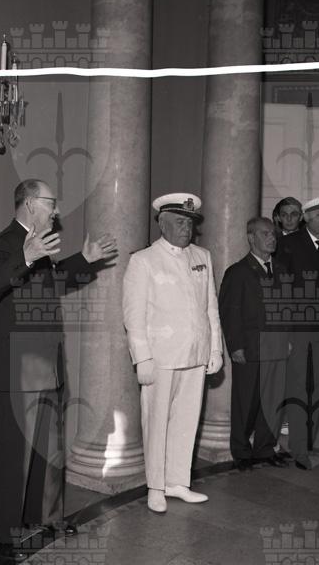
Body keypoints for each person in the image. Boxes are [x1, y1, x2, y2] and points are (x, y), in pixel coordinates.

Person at [0, 179, 117, 561]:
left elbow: (50, 283)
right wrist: (24, 257)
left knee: (48, 449)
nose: (56, 210)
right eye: (50, 203)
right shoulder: (8, 241)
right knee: (10, 456)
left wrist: (84, 259)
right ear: (29, 204)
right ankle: (2, 534)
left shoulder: (40, 243)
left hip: (45, 365)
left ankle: (47, 518)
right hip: (15, 368)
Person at [122, 193, 223, 513]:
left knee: (187, 420)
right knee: (156, 422)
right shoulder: (143, 260)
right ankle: (156, 486)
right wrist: (142, 357)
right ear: (162, 224)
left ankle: (178, 482)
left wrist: (215, 349)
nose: (186, 229)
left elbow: (211, 307)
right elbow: (133, 315)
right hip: (161, 356)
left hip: (195, 352)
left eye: (190, 223)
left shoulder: (202, 256)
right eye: (179, 222)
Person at [219, 217, 289, 471]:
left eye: (273, 234)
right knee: (246, 402)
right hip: (250, 346)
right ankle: (241, 452)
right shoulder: (238, 272)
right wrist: (235, 346)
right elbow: (229, 312)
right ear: (251, 237)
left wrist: (288, 340)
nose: (272, 238)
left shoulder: (281, 270)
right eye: (265, 233)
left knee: (273, 401)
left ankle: (265, 448)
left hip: (277, 346)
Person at [280, 196, 319, 470]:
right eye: (318, 215)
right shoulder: (289, 244)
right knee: (297, 387)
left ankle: (309, 442)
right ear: (305, 217)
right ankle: (299, 448)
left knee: (318, 387)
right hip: (298, 330)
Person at [272, 196, 303, 261]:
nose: (289, 219)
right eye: (284, 215)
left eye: (294, 214)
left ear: (301, 217)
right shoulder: (272, 241)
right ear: (278, 218)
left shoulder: (309, 240)